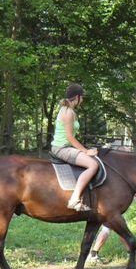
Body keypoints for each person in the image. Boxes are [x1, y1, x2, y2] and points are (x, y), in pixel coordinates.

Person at [51, 83, 99, 211]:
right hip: (62, 148)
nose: (82, 100)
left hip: (66, 146)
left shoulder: (68, 110)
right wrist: (86, 151)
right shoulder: (68, 112)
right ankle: (74, 199)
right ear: (77, 97)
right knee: (93, 165)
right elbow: (70, 137)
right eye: (81, 97)